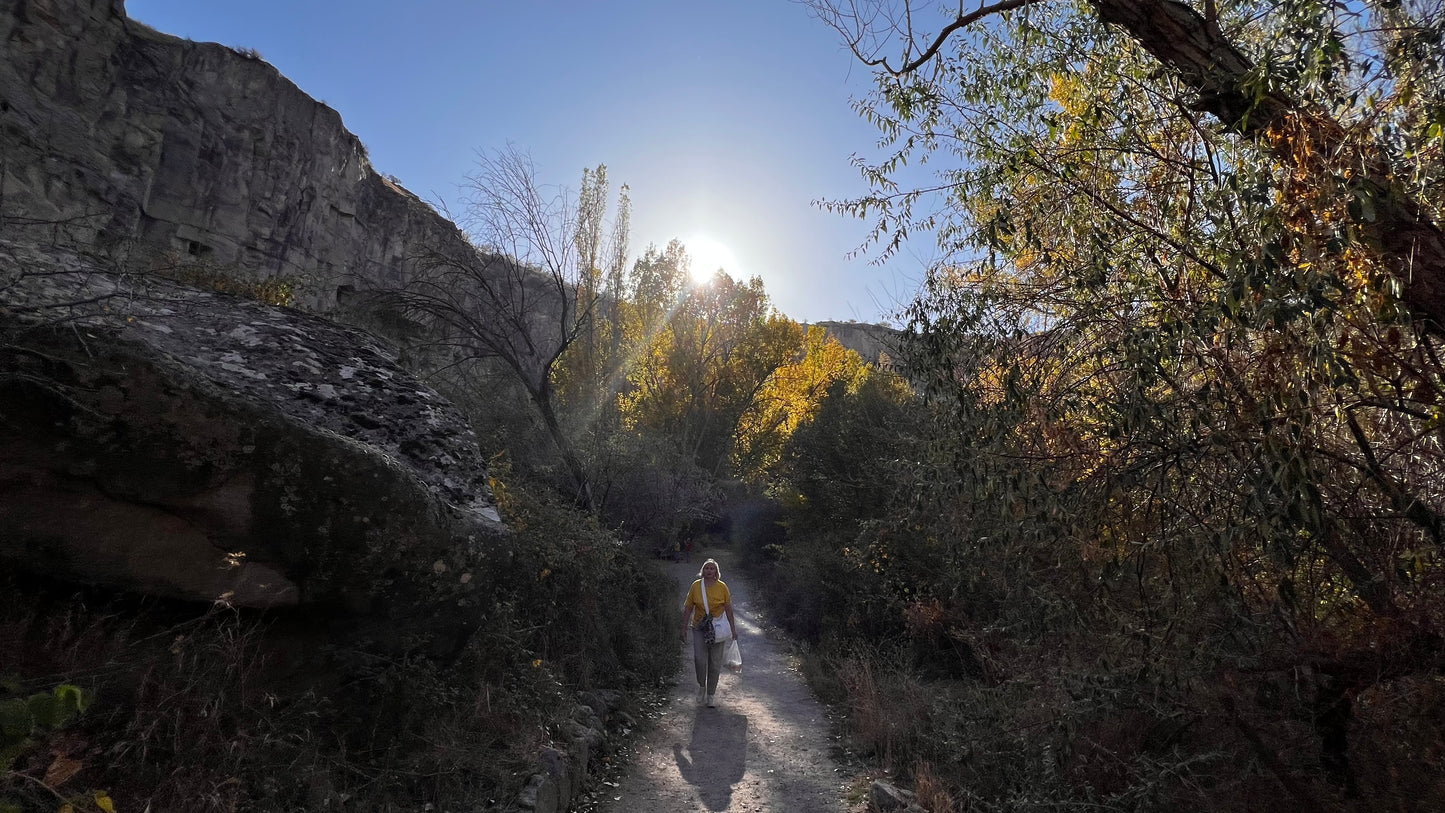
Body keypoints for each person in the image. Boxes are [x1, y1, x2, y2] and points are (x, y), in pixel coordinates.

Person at [681, 558, 737, 708]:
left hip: (717, 629)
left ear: (716, 572)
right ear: (703, 571)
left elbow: (729, 609)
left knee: (715, 663)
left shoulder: (722, 587)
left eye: (712, 568)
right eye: (706, 568)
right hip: (699, 627)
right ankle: (702, 686)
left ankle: (711, 694)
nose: (709, 571)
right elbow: (688, 608)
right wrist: (684, 628)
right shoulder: (696, 586)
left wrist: (733, 629)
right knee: (700, 659)